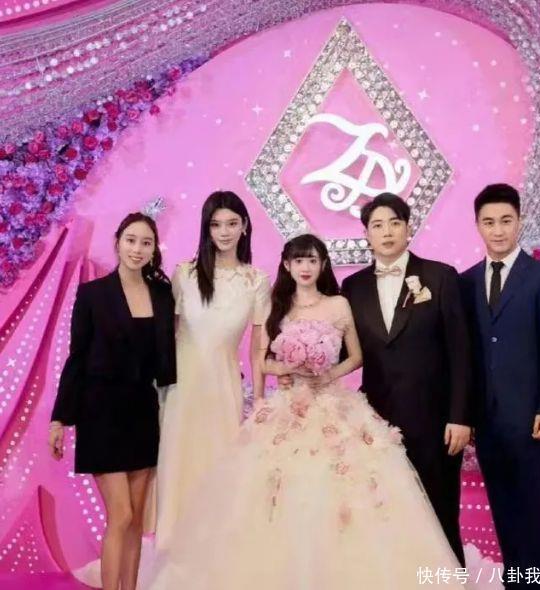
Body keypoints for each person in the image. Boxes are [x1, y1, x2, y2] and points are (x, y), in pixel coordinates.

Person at [148, 234, 465, 590]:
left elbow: (356, 356)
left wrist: (328, 374)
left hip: (332, 404)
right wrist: (284, 369)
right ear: (287, 265)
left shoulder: (338, 305)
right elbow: (262, 360)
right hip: (288, 407)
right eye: (298, 260)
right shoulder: (277, 305)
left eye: (312, 260)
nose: (305, 267)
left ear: (323, 264)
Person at [340, 192, 472, 564]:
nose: (387, 232)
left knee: (441, 513)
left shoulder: (440, 276)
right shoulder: (352, 287)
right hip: (377, 423)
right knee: (387, 516)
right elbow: (341, 351)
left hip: (436, 421)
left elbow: (462, 352)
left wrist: (460, 416)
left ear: (408, 228)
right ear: (366, 234)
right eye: (377, 225)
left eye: (395, 223)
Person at [48, 212, 176, 590]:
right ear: (118, 242)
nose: (137, 249)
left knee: (136, 520)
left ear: (154, 249)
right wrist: (59, 419)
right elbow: (76, 358)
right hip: (100, 414)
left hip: (143, 413)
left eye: (146, 243)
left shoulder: (162, 294)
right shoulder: (93, 294)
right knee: (120, 515)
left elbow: (171, 353)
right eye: (131, 240)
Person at [460, 183, 540, 588]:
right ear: (477, 226)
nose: (498, 230)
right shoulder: (466, 282)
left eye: (506, 220)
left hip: (531, 417)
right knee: (503, 509)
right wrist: (467, 414)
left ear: (519, 221)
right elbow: (467, 353)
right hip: (487, 421)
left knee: (536, 508)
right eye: (489, 222)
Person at [154, 190, 271, 549]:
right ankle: (171, 549)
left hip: (224, 387)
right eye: (216, 224)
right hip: (181, 388)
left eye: (232, 223)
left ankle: (216, 552)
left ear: (245, 226)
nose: (224, 232)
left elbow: (257, 347)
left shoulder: (256, 280)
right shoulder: (184, 274)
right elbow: (167, 334)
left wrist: (260, 399)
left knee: (219, 466)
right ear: (206, 228)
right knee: (179, 465)